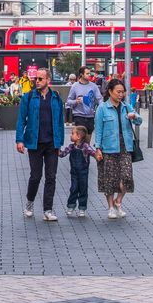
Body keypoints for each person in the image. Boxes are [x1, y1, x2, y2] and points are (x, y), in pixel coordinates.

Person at [15, 67, 68, 221]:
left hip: (52, 143)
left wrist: (60, 142)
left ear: (48, 80)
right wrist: (20, 140)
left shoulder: (56, 97)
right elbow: (21, 120)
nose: (36, 81)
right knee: (36, 176)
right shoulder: (29, 97)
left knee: (51, 176)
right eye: (36, 79)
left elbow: (59, 121)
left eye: (40, 79)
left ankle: (48, 210)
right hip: (34, 142)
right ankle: (30, 202)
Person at [94, 77, 138, 219]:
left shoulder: (126, 106)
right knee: (109, 179)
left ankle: (118, 201)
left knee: (126, 177)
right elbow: (99, 130)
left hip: (125, 146)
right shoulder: (102, 108)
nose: (121, 95)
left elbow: (139, 119)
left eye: (123, 92)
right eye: (118, 92)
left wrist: (134, 116)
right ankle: (111, 208)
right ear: (110, 92)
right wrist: (98, 148)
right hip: (108, 147)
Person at [63, 72, 101, 213]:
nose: (90, 75)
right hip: (79, 116)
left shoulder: (94, 86)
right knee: (74, 187)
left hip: (90, 117)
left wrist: (100, 108)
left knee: (86, 144)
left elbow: (99, 99)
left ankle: (85, 159)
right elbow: (68, 102)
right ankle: (72, 206)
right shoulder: (75, 87)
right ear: (81, 75)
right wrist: (76, 102)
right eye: (87, 73)